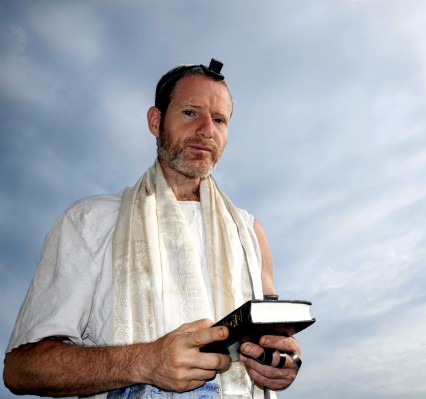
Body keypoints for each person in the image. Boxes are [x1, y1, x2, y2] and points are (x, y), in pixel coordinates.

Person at [3, 59, 301, 399]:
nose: (207, 129)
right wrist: (145, 361)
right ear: (156, 121)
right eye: (191, 112)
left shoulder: (250, 231)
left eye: (219, 120)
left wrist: (283, 362)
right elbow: (21, 369)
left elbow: (277, 340)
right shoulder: (90, 219)